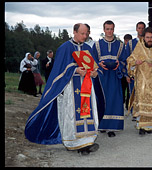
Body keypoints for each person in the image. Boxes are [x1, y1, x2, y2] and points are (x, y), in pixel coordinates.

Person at [25, 23, 105, 155]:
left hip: (86, 87)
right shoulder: (65, 48)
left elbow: (94, 67)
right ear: (74, 32)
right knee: (72, 114)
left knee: (87, 112)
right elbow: (59, 71)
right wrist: (75, 70)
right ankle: (74, 143)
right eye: (82, 33)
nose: (85, 36)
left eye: (87, 34)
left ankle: (88, 141)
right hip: (71, 88)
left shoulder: (87, 48)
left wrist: (95, 72)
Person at [126, 27, 152, 135]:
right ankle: (141, 127)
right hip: (142, 81)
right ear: (144, 37)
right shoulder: (139, 47)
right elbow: (130, 60)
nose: (150, 39)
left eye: (151, 37)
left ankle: (151, 126)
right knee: (142, 103)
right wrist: (136, 62)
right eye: (148, 37)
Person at [92, 20, 126, 137]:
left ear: (114, 29)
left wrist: (119, 65)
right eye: (107, 29)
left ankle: (112, 127)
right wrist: (98, 64)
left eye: (111, 29)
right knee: (102, 99)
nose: (109, 31)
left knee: (114, 100)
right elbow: (92, 60)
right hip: (102, 77)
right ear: (104, 30)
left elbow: (125, 60)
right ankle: (101, 125)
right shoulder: (97, 44)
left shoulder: (120, 45)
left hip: (114, 77)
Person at [125, 21, 146, 121]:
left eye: (142, 28)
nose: (141, 30)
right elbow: (127, 58)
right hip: (133, 72)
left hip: (145, 73)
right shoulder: (130, 43)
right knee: (133, 92)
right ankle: (134, 112)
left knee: (143, 92)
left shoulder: (148, 42)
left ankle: (143, 113)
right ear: (136, 29)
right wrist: (127, 74)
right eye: (139, 28)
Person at [121, 34, 132, 110]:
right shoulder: (122, 49)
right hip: (122, 73)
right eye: (127, 41)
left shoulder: (132, 50)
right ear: (125, 41)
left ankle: (128, 105)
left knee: (129, 90)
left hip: (130, 72)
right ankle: (121, 103)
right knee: (122, 89)